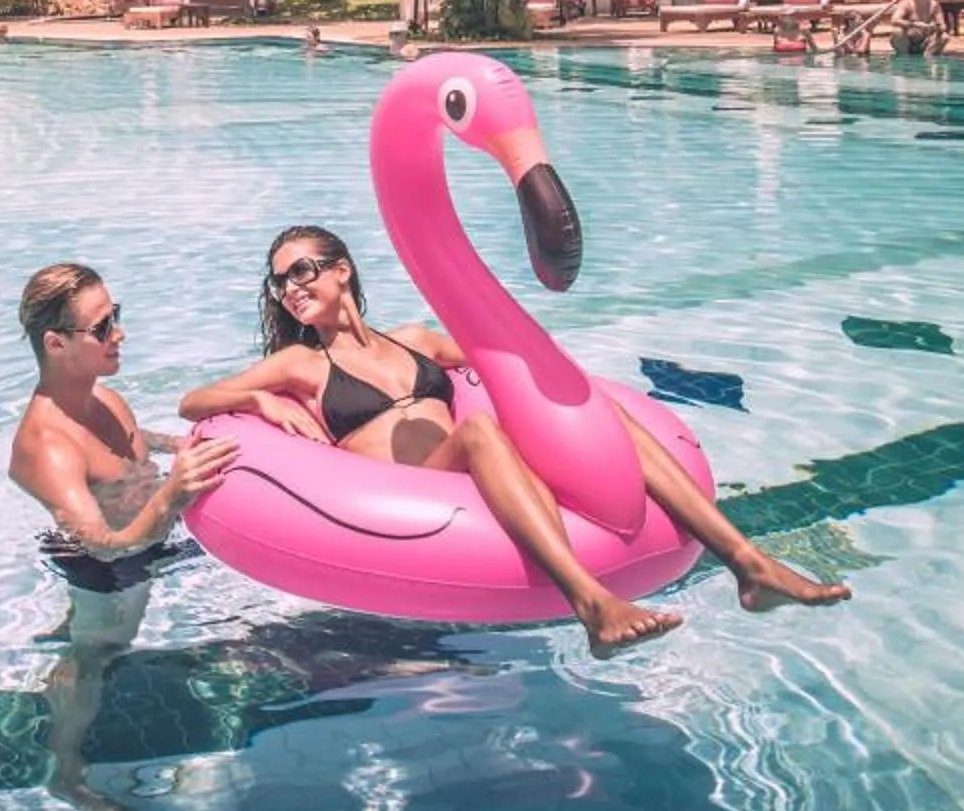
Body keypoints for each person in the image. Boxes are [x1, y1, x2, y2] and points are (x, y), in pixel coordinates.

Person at [179, 226, 848, 658]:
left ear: (343, 270)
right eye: (281, 281)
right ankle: (593, 604)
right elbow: (194, 401)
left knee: (597, 418)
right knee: (477, 427)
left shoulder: (412, 339)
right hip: (410, 490)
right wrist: (258, 397)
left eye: (302, 271)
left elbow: (504, 356)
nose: (291, 288)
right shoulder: (302, 363)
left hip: (473, 475)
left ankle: (747, 562)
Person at [6, 262, 236, 811]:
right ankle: (66, 773)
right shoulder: (49, 446)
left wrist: (180, 443)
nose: (120, 334)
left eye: (117, 317)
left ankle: (69, 626)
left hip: (144, 533)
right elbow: (104, 547)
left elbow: (130, 447)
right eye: (103, 325)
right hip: (105, 564)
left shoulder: (99, 395)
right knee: (97, 656)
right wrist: (174, 497)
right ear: (56, 343)